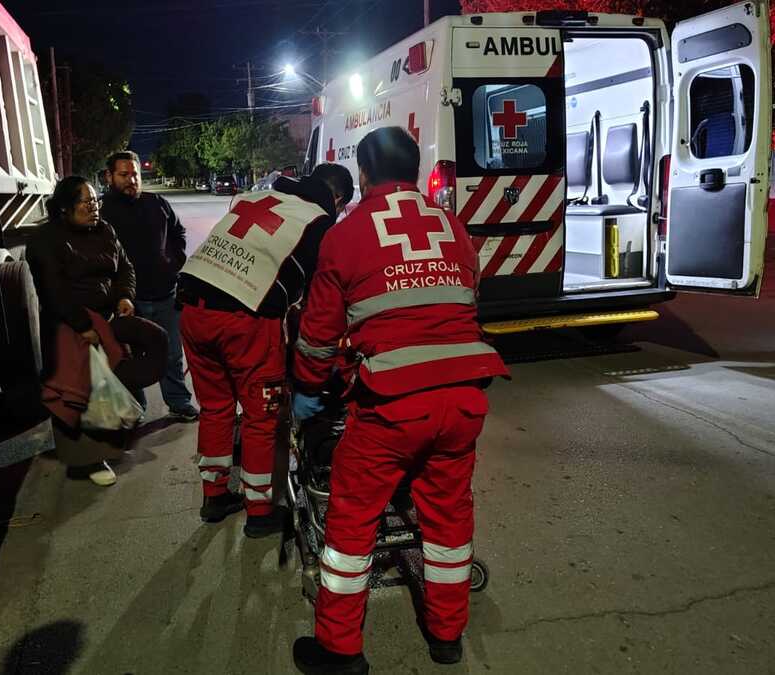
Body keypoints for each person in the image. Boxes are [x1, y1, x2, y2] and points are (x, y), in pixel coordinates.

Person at [289, 128, 510, 674]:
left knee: (352, 521)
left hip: (391, 406)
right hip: (463, 400)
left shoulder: (345, 235)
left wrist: (312, 386)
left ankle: (339, 650)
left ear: (362, 174)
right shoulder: (453, 227)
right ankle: (446, 636)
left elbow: (318, 337)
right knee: (448, 520)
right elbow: (461, 306)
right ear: (413, 171)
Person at [176, 163, 354, 538]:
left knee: (217, 407)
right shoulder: (318, 221)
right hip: (246, 322)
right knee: (260, 416)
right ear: (336, 199)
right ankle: (259, 512)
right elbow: (318, 301)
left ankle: (214, 496)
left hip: (194, 310)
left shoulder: (255, 196)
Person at [27, 175, 168, 486]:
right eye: (86, 202)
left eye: (95, 201)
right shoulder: (45, 240)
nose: (94, 208)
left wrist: (124, 296)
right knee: (80, 395)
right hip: (69, 326)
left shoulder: (104, 230)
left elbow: (124, 267)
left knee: (152, 343)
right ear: (64, 208)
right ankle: (86, 461)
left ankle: (112, 440)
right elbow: (53, 292)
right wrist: (84, 327)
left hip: (108, 319)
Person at [101, 151, 199, 421]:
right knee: (131, 360)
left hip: (166, 294)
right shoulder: (103, 212)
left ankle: (178, 402)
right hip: (129, 300)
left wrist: (173, 261)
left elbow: (178, 233)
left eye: (135, 174)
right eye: (124, 175)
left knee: (172, 355)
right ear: (110, 177)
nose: (131, 180)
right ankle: (136, 409)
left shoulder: (157, 203)